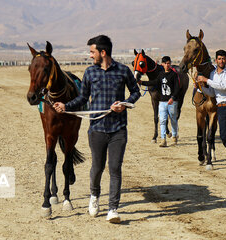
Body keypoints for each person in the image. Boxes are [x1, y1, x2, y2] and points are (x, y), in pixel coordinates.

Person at [53, 35, 140, 223]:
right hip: (97, 129)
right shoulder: (90, 73)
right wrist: (66, 106)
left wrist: (125, 103)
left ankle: (113, 209)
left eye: (92, 52)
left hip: (118, 129)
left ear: (103, 52)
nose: (90, 55)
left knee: (115, 168)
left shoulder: (123, 71)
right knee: (98, 167)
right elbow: (83, 98)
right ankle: (94, 197)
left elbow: (136, 92)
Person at [138, 56, 181, 147]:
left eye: (168, 63)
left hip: (172, 102)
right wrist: (142, 82)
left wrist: (173, 98)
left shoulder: (174, 75)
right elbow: (154, 82)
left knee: (173, 120)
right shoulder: (161, 75)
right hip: (162, 102)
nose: (167, 65)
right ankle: (163, 140)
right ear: (162, 64)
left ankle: (174, 136)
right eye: (165, 63)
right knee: (162, 120)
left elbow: (177, 88)